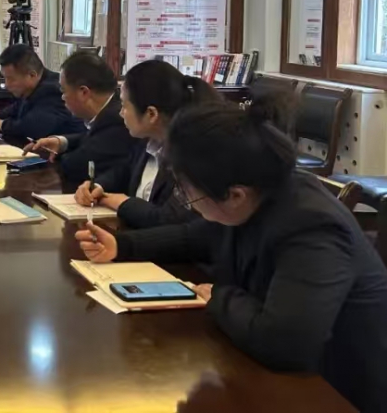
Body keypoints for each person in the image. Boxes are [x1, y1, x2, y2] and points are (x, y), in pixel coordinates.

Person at [75, 102, 387, 412]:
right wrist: (122, 246)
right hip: (276, 372)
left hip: (338, 392)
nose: (187, 201)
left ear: (236, 195)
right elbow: (196, 236)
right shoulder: (258, 192)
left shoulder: (312, 227)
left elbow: (284, 345)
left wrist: (219, 297)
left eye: (187, 193)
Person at [74, 59, 219, 229]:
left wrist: (118, 202)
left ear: (151, 114)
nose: (121, 114)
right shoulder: (145, 142)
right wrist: (97, 186)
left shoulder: (191, 154)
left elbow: (168, 219)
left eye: (124, 106)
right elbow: (123, 171)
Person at [25, 52, 140, 191]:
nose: (62, 97)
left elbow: (74, 165)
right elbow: (91, 139)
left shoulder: (117, 120)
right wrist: (61, 142)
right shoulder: (110, 108)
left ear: (84, 92)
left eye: (64, 91)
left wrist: (50, 155)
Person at [0, 44, 84, 144]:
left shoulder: (53, 90)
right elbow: (18, 107)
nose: (7, 85)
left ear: (32, 75)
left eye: (11, 79)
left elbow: (31, 127)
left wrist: (0, 124)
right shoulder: (32, 88)